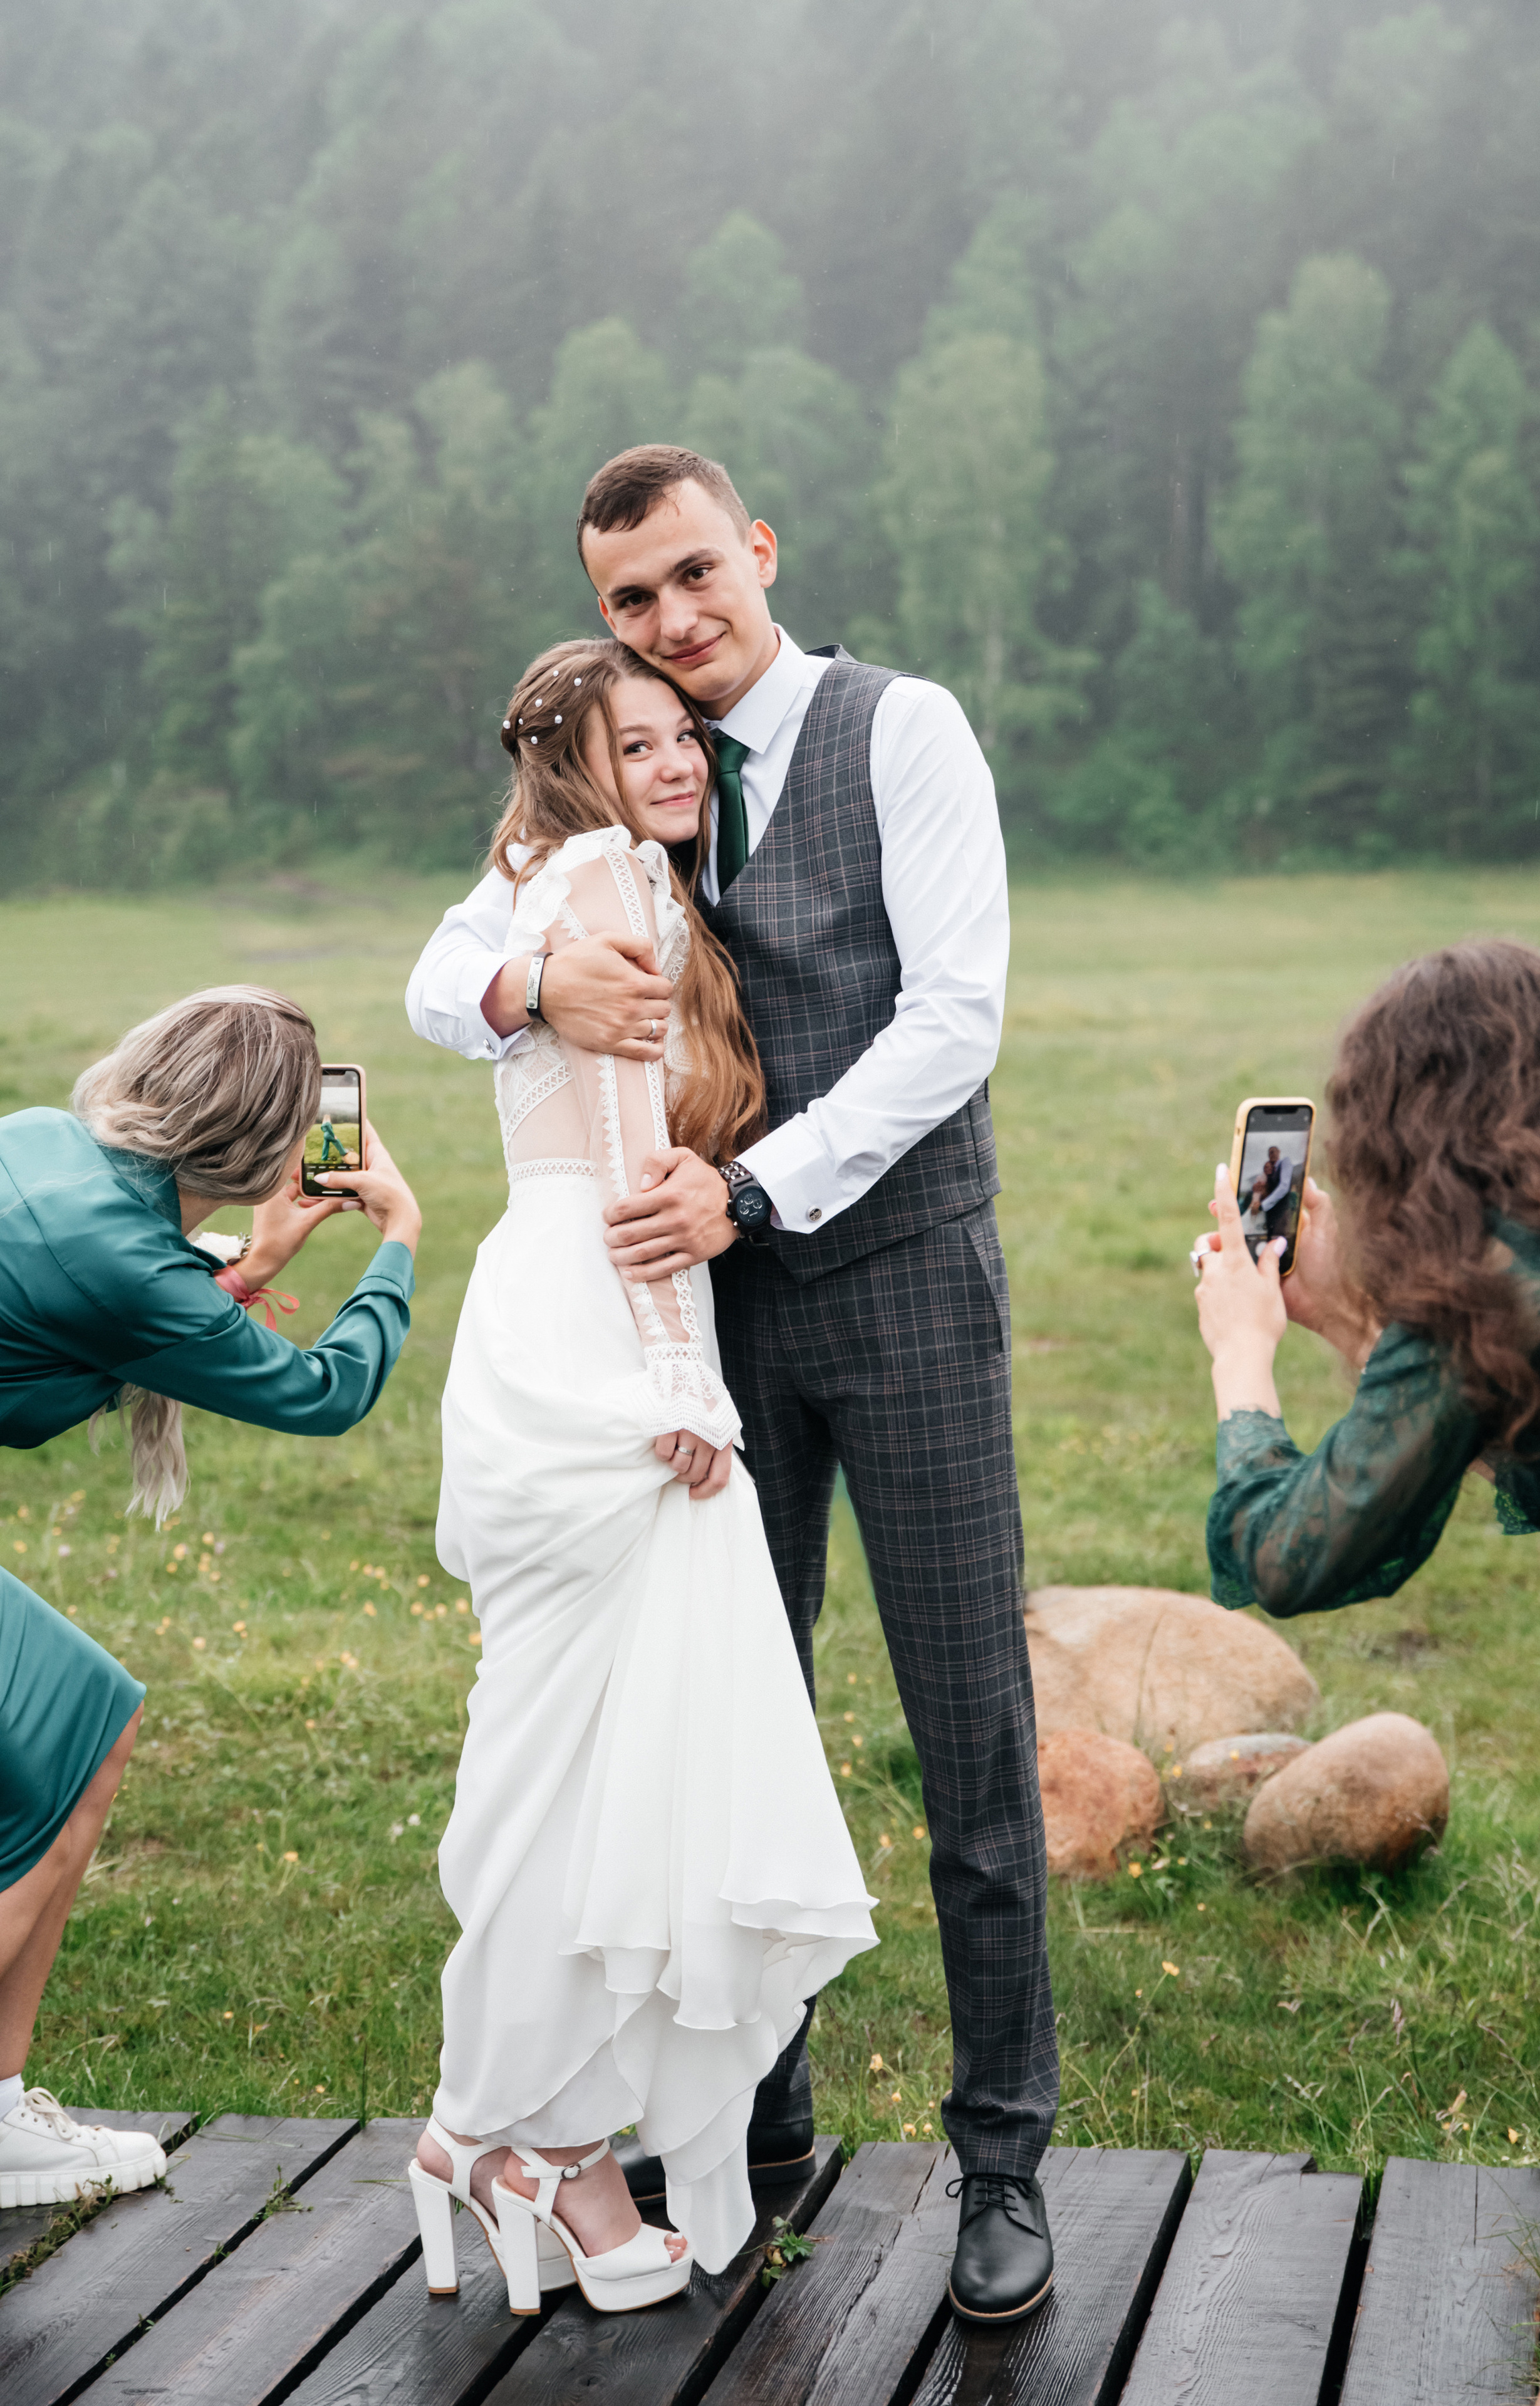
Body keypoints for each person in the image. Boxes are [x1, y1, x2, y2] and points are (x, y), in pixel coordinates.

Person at [407, 444, 1056, 2326]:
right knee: (713, 1727)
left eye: (696, 577)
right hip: (713, 1330)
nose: (673, 624)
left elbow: (957, 1018)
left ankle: (1002, 2157)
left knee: (972, 1749)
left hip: (909, 1282)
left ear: (757, 551)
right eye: (631, 600)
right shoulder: (620, 777)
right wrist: (531, 990)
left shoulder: (901, 730)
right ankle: (749, 2119)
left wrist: (753, 1184)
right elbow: (450, 963)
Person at [407, 637, 875, 2315]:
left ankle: (508, 2137)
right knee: (614, 1764)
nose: (681, 761)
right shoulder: (608, 882)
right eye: (647, 740)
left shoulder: (554, 872)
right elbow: (625, 1154)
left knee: (570, 1763)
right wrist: (685, 1376)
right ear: (580, 760)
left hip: (545, 1314)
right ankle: (542, 2145)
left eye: (690, 738)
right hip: (610, 1330)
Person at [1190, 940, 1540, 2406]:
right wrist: (1355, 1334)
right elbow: (1528, 1425)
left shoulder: (1492, 1276)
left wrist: (1245, 1364)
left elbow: (1295, 1559)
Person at [0, 986, 419, 2207]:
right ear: (254, 1149)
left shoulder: (41, 1138)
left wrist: (261, 1261)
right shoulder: (133, 1266)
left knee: (90, 1724)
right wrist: (395, 1233)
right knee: (62, 1755)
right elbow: (327, 1395)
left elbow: (81, 1324)